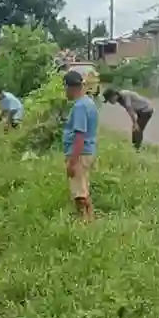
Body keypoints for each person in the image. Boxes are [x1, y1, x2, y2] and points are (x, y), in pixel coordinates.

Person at [63, 70, 99, 220]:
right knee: (82, 187)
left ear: (69, 87)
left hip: (80, 153)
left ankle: (85, 221)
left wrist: (72, 162)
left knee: (79, 193)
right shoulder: (88, 102)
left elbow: (79, 136)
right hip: (87, 151)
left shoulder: (80, 107)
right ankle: (88, 219)